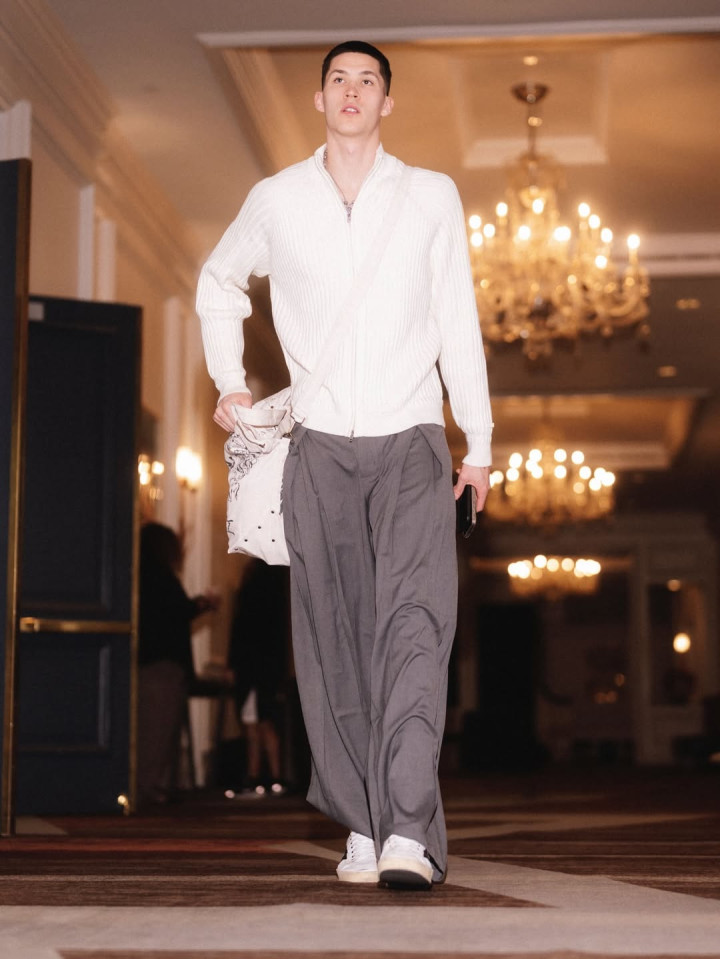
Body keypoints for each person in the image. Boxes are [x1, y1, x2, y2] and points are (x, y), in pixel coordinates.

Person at [196, 40, 492, 888]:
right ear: (320, 100)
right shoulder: (277, 199)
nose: (353, 91)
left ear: (387, 103)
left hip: (411, 439)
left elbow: (457, 316)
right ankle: (363, 820)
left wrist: (479, 443)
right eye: (339, 79)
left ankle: (407, 828)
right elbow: (218, 281)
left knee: (414, 625)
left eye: (368, 80)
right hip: (319, 445)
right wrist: (229, 379)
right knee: (333, 636)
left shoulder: (430, 194)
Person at [137, 522, 218, 806]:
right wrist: (202, 604)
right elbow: (175, 612)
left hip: (150, 662)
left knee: (156, 729)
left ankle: (153, 787)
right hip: (162, 665)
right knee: (158, 730)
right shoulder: (159, 576)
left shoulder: (142, 574)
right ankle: (149, 788)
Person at [227, 559, 290, 797]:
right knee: (260, 722)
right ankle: (269, 776)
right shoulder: (278, 592)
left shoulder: (250, 593)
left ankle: (261, 775)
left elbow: (239, 632)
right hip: (267, 668)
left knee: (257, 723)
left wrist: (232, 664)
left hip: (251, 667)